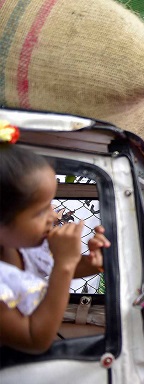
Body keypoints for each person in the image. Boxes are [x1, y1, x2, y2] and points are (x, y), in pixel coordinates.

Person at [0, 125, 110, 354]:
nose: (54, 216)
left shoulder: (20, 248)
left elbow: (63, 269)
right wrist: (65, 263)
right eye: (40, 211)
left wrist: (91, 261)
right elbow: (34, 339)